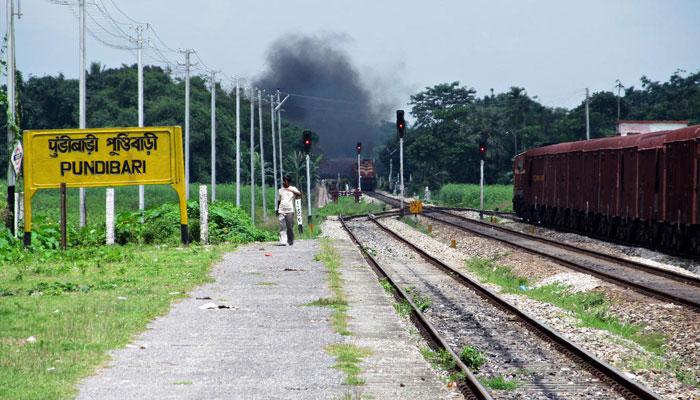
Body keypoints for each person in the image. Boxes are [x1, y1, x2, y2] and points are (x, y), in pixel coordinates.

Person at [277, 175, 302, 246]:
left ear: (288, 182)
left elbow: (299, 194)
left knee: (289, 227)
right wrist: (277, 209)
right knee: (282, 227)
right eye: (283, 181)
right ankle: (283, 241)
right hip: (281, 210)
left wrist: (290, 189)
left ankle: (290, 240)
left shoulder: (293, 188)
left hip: (290, 210)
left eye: (285, 181)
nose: (283, 182)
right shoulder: (280, 190)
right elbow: (279, 200)